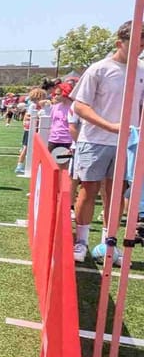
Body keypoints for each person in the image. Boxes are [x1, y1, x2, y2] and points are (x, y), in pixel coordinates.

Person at [67, 23, 144, 264]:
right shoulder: (99, 69)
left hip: (126, 143)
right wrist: (108, 126)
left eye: (142, 45)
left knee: (117, 194)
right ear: (119, 43)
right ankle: (80, 242)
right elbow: (79, 105)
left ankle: (108, 243)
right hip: (95, 139)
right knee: (88, 189)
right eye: (136, 44)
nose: (140, 50)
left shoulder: (141, 70)